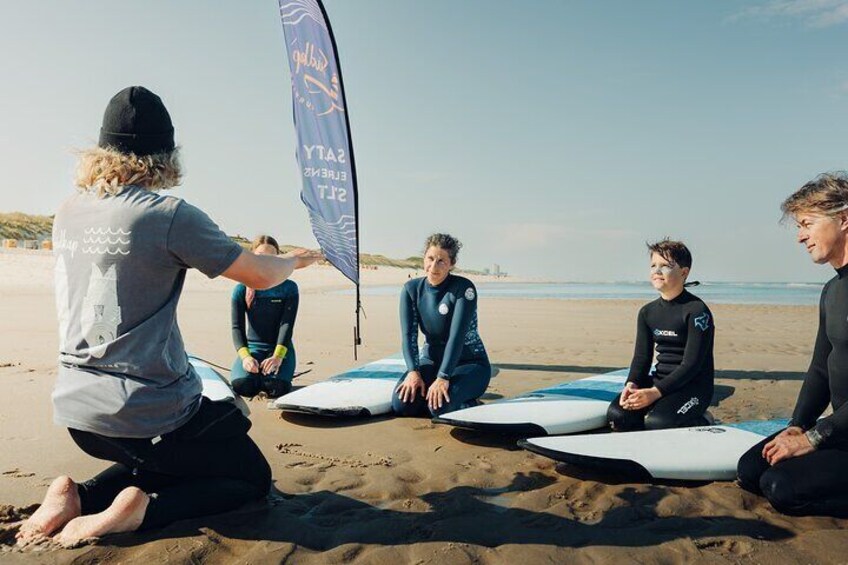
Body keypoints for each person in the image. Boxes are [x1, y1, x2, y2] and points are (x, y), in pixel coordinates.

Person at [16, 86, 321, 547]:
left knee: (166, 458)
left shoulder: (68, 211)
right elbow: (259, 274)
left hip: (78, 410)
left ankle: (77, 494)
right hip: (146, 411)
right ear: (167, 152)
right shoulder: (168, 215)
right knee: (249, 478)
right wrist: (296, 262)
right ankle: (141, 511)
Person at [738, 172, 848, 517]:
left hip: (837, 431)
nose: (801, 237)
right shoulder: (832, 291)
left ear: (844, 219)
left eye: (807, 223)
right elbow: (820, 367)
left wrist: (812, 440)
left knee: (781, 487)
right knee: (752, 470)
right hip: (842, 430)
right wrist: (797, 425)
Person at [607, 239, 715, 431]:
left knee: (657, 423)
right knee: (618, 416)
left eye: (665, 266)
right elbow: (641, 358)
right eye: (653, 265)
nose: (657, 271)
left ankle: (703, 419)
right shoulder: (647, 312)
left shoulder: (697, 311)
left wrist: (655, 393)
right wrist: (632, 384)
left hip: (693, 388)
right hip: (659, 382)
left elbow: (691, 365)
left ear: (684, 272)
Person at [392, 233, 491, 417]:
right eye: (430, 258)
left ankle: (471, 402)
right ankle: (443, 396)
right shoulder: (411, 290)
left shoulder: (463, 289)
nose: (433, 266)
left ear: (451, 264)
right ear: (424, 258)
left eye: (441, 261)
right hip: (431, 361)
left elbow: (457, 337)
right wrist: (414, 372)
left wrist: (443, 377)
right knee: (402, 405)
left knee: (439, 408)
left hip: (469, 363)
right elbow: (408, 336)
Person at [230, 235, 299, 399]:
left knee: (276, 388)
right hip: (253, 348)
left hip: (281, 349)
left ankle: (272, 373)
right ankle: (256, 374)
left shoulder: (289, 288)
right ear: (252, 257)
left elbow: (287, 325)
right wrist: (246, 358)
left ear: (278, 259)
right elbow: (237, 327)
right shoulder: (241, 289)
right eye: (261, 257)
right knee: (243, 386)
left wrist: (277, 357)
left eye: (271, 257)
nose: (266, 262)